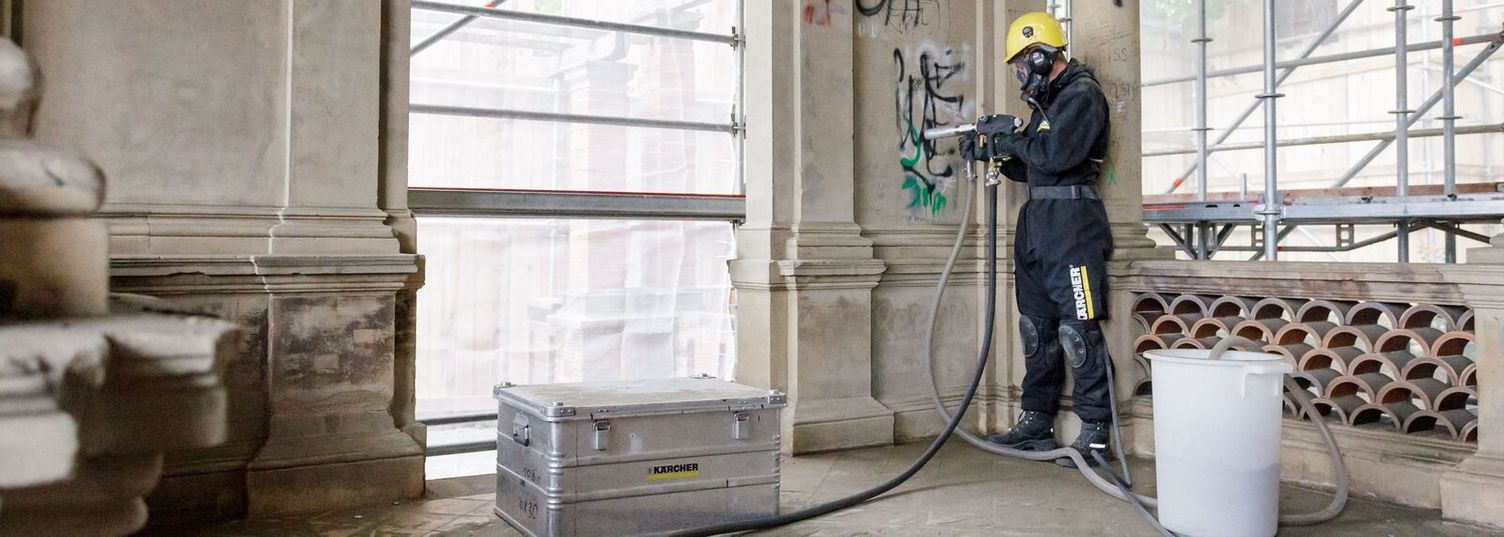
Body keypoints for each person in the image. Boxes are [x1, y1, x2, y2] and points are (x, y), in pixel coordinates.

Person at [958, 12, 1115, 468]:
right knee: (1037, 328)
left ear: (1043, 54)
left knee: (1077, 330)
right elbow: (1032, 165)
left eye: (1021, 62)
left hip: (1073, 224)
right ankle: (1037, 422)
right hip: (1038, 223)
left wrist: (1010, 140)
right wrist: (995, 152)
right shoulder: (1045, 105)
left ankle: (1095, 432)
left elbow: (1058, 154)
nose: (1019, 73)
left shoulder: (1082, 95)